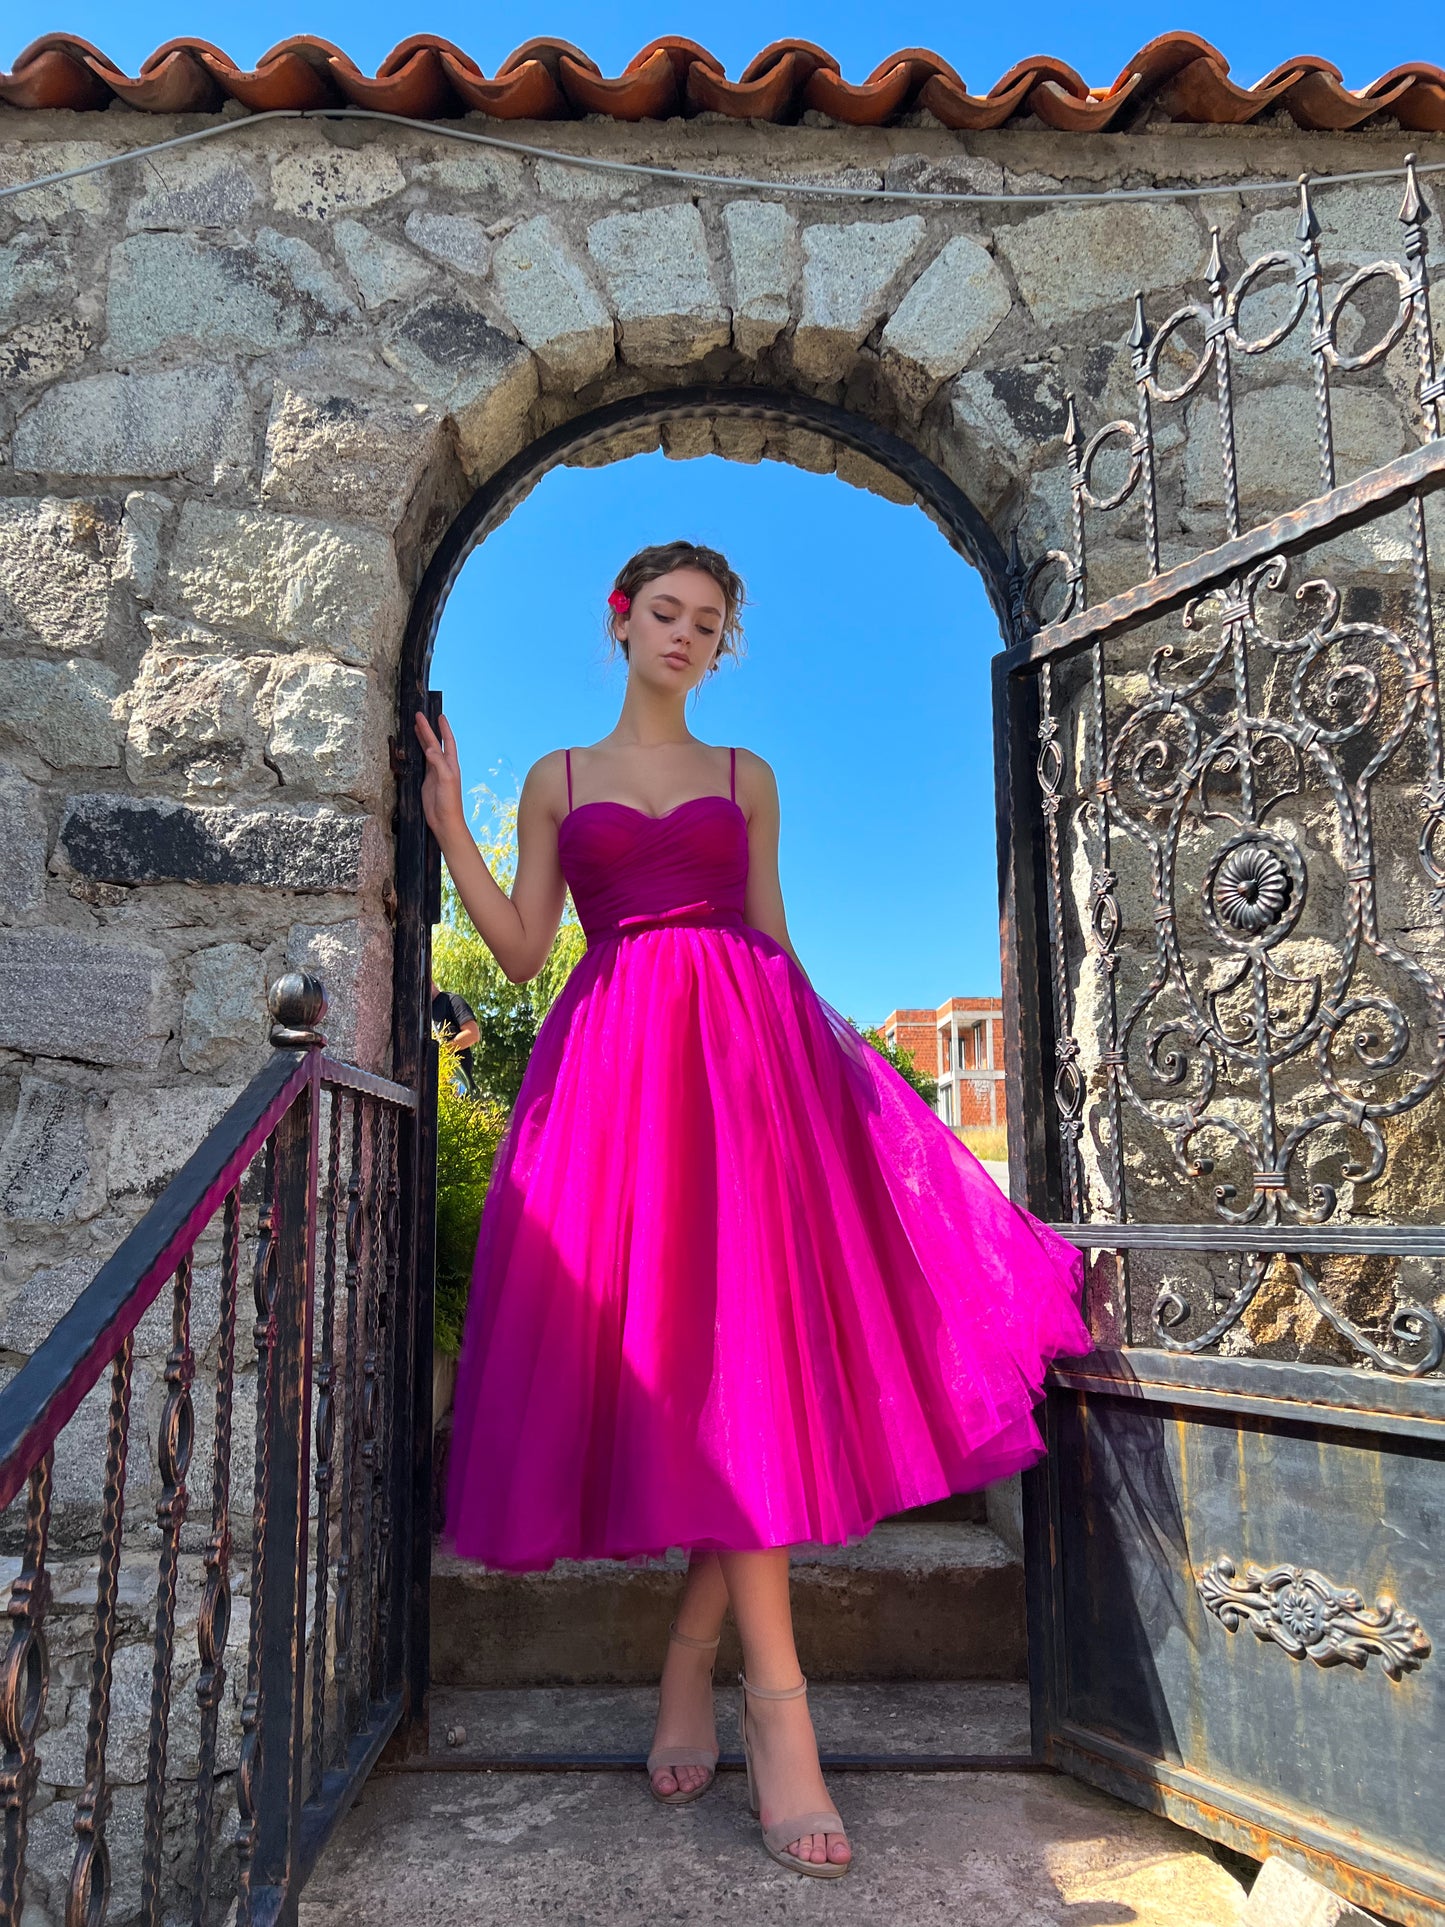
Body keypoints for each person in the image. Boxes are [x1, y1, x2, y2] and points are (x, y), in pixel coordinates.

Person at [413, 539, 1089, 1881]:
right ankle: (761, 1705)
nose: (685, 633)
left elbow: (774, 940)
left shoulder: (747, 779)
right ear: (620, 621)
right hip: (614, 1079)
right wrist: (447, 826)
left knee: (754, 1377)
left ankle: (707, 1675)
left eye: (709, 621)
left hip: (748, 1071)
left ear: (727, 642)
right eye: (665, 612)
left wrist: (850, 1088)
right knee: (692, 1377)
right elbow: (520, 948)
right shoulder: (556, 778)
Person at [429, 978, 480, 1090]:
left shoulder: (451, 1001)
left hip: (459, 1086)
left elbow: (472, 1034)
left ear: (430, 982)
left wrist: (442, 1052)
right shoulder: (423, 1014)